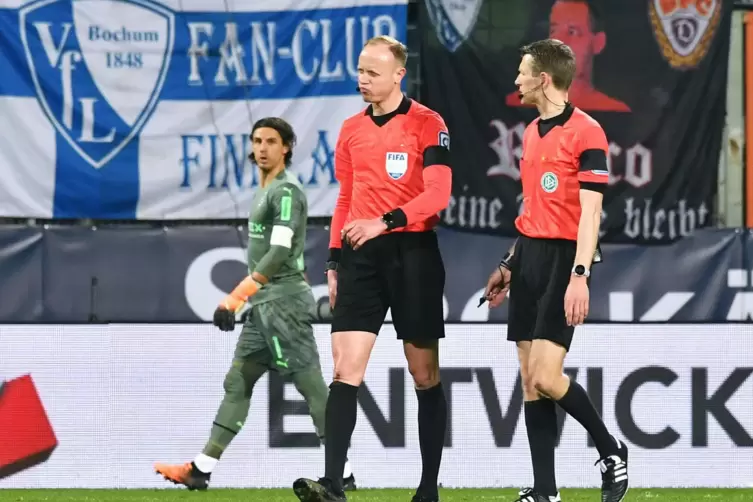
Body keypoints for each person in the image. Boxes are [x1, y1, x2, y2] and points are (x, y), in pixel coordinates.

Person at [154, 117, 356, 492]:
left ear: (287, 148)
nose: (262, 147)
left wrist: (236, 297)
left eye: (271, 141)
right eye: (257, 140)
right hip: (264, 307)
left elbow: (279, 252)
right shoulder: (265, 190)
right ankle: (201, 469)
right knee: (238, 381)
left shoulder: (286, 192)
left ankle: (340, 474)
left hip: (283, 306)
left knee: (312, 387)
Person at [292, 35, 452, 502]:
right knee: (345, 370)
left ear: (398, 75)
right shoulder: (350, 130)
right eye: (360, 71)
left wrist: (386, 222)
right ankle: (333, 484)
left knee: (423, 374)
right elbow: (345, 198)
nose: (363, 80)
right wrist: (334, 259)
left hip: (413, 253)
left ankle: (427, 488)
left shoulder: (427, 123)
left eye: (373, 73)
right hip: (360, 257)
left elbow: (437, 194)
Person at [486, 39, 629, 502]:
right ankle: (545, 491)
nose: (516, 81)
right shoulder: (531, 132)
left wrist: (580, 275)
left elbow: (590, 216)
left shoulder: (588, 133)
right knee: (530, 380)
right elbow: (533, 209)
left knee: (547, 376)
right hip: (529, 256)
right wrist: (510, 262)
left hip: (567, 259)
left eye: (522, 72)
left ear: (543, 79)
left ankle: (611, 450)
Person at [506, 0, 630, 113]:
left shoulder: (615, 112)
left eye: (572, 32)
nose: (559, 42)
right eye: (554, 31)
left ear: (598, 42)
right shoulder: (516, 105)